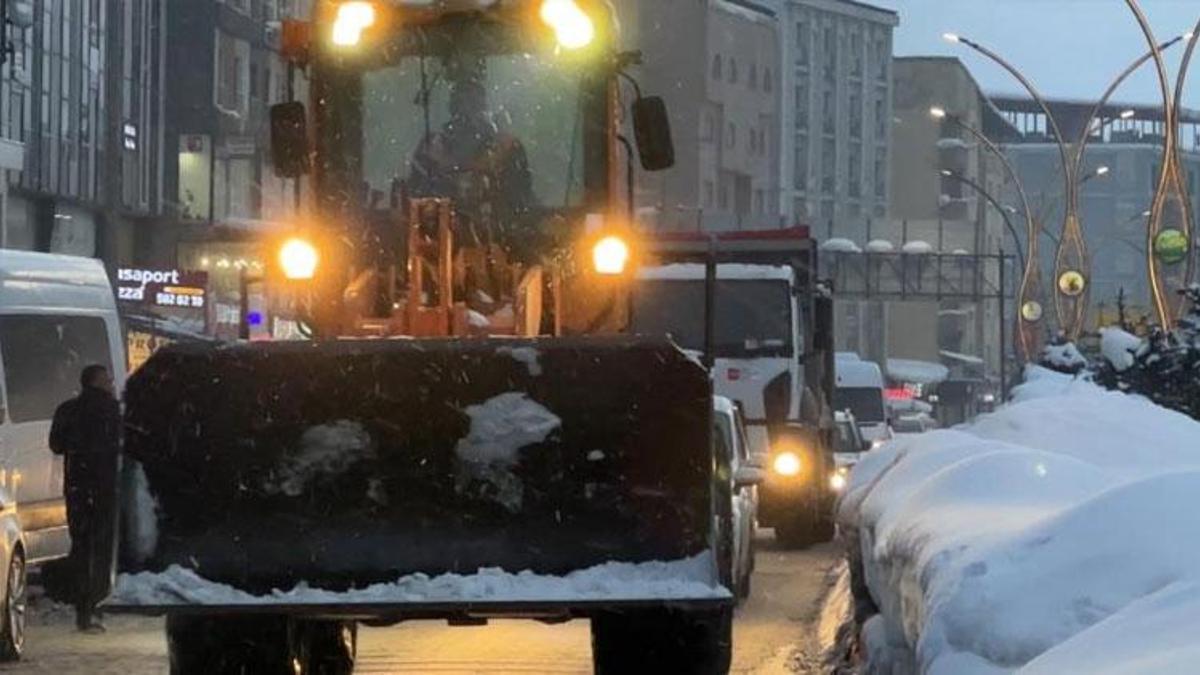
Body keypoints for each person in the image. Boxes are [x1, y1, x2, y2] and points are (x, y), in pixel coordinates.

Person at [48, 365, 121, 633]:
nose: (112, 384)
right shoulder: (114, 411)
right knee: (102, 550)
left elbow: (55, 445)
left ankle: (82, 610)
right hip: (106, 489)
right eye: (109, 380)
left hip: (77, 489)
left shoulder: (67, 409)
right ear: (99, 381)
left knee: (80, 546)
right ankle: (95, 606)